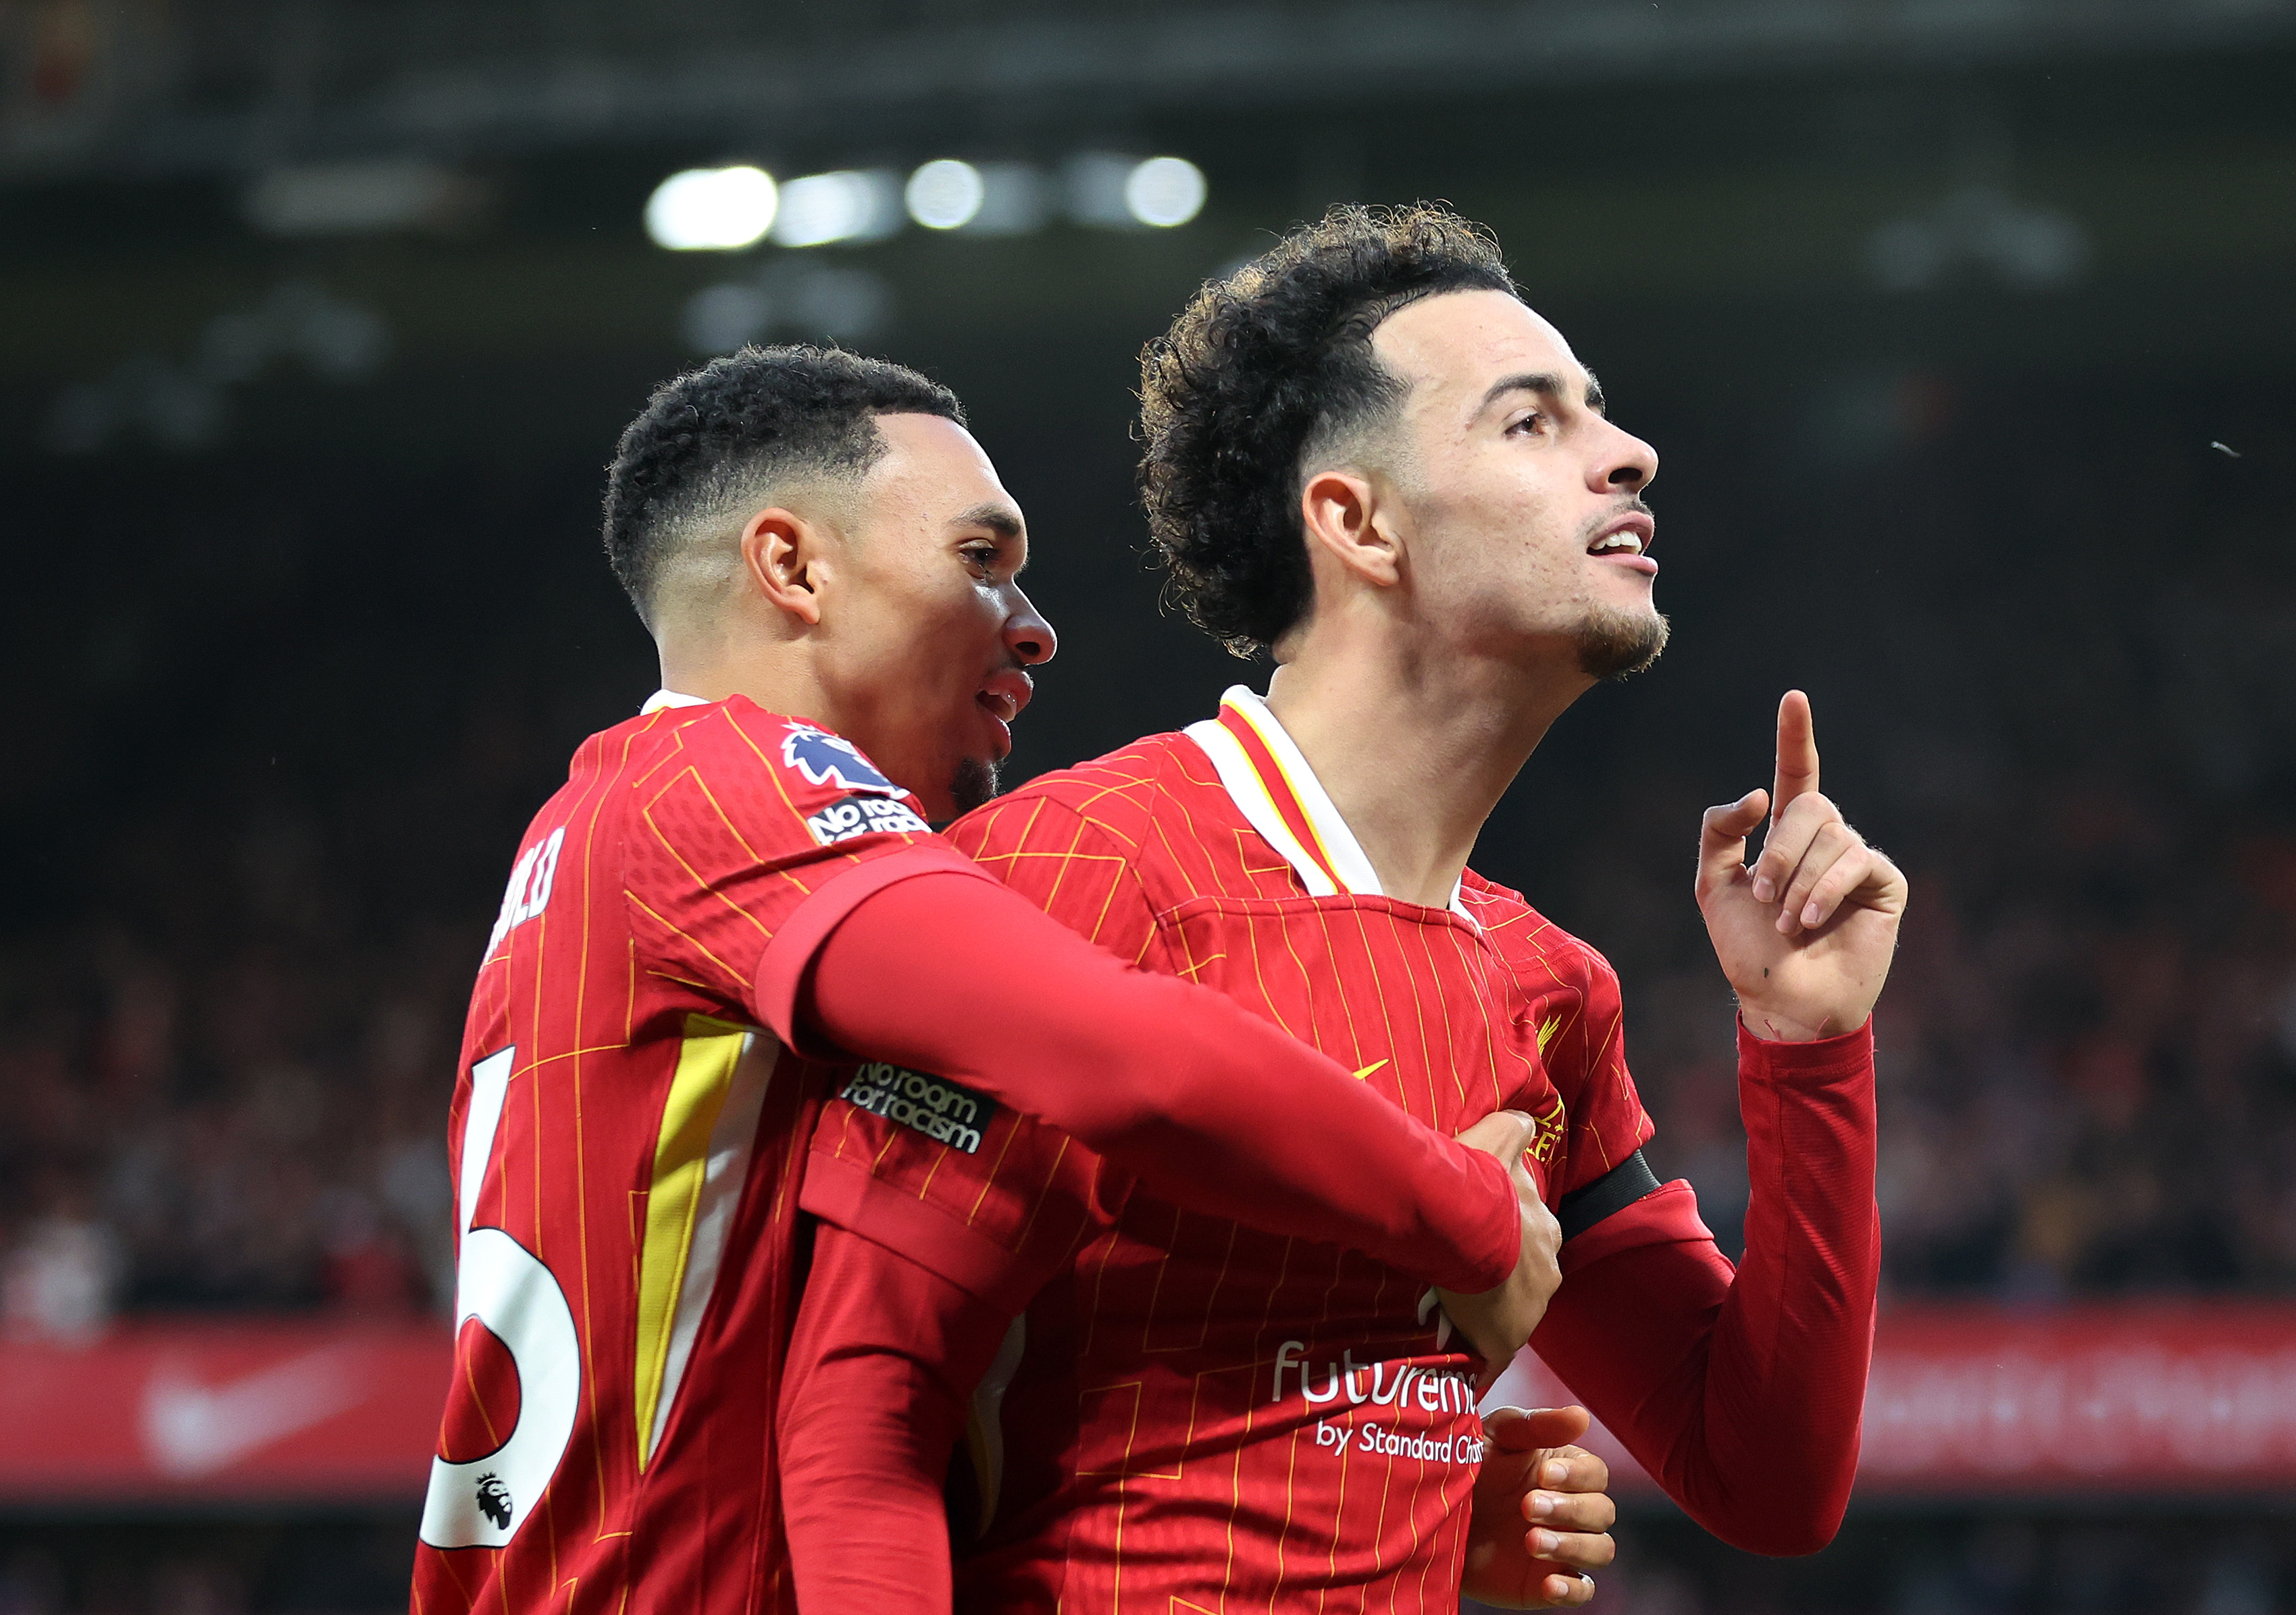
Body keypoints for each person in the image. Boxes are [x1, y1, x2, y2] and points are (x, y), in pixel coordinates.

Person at [781, 205, 1904, 1611]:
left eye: (1601, 413)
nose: (1629, 453)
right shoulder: (1071, 875)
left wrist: (1808, 1051)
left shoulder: (1548, 989)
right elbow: (859, 1428)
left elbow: (1769, 1476)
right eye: (1531, 422)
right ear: (1359, 522)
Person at [408, 344, 1573, 1614]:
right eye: (980, 561)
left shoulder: (595, 832)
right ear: (792, 568)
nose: (1034, 626)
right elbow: (1124, 1056)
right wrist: (1469, 1211)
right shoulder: (727, 787)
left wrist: (1395, 1497)